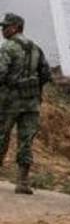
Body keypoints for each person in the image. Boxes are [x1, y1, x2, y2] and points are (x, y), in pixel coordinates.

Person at [0, 13, 52, 195]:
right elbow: (46, 74)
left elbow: (1, 72)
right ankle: (22, 182)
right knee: (26, 140)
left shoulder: (7, 47)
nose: (2, 30)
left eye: (5, 27)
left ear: (15, 27)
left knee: (1, 136)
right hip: (31, 103)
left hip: (8, 102)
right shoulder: (36, 48)